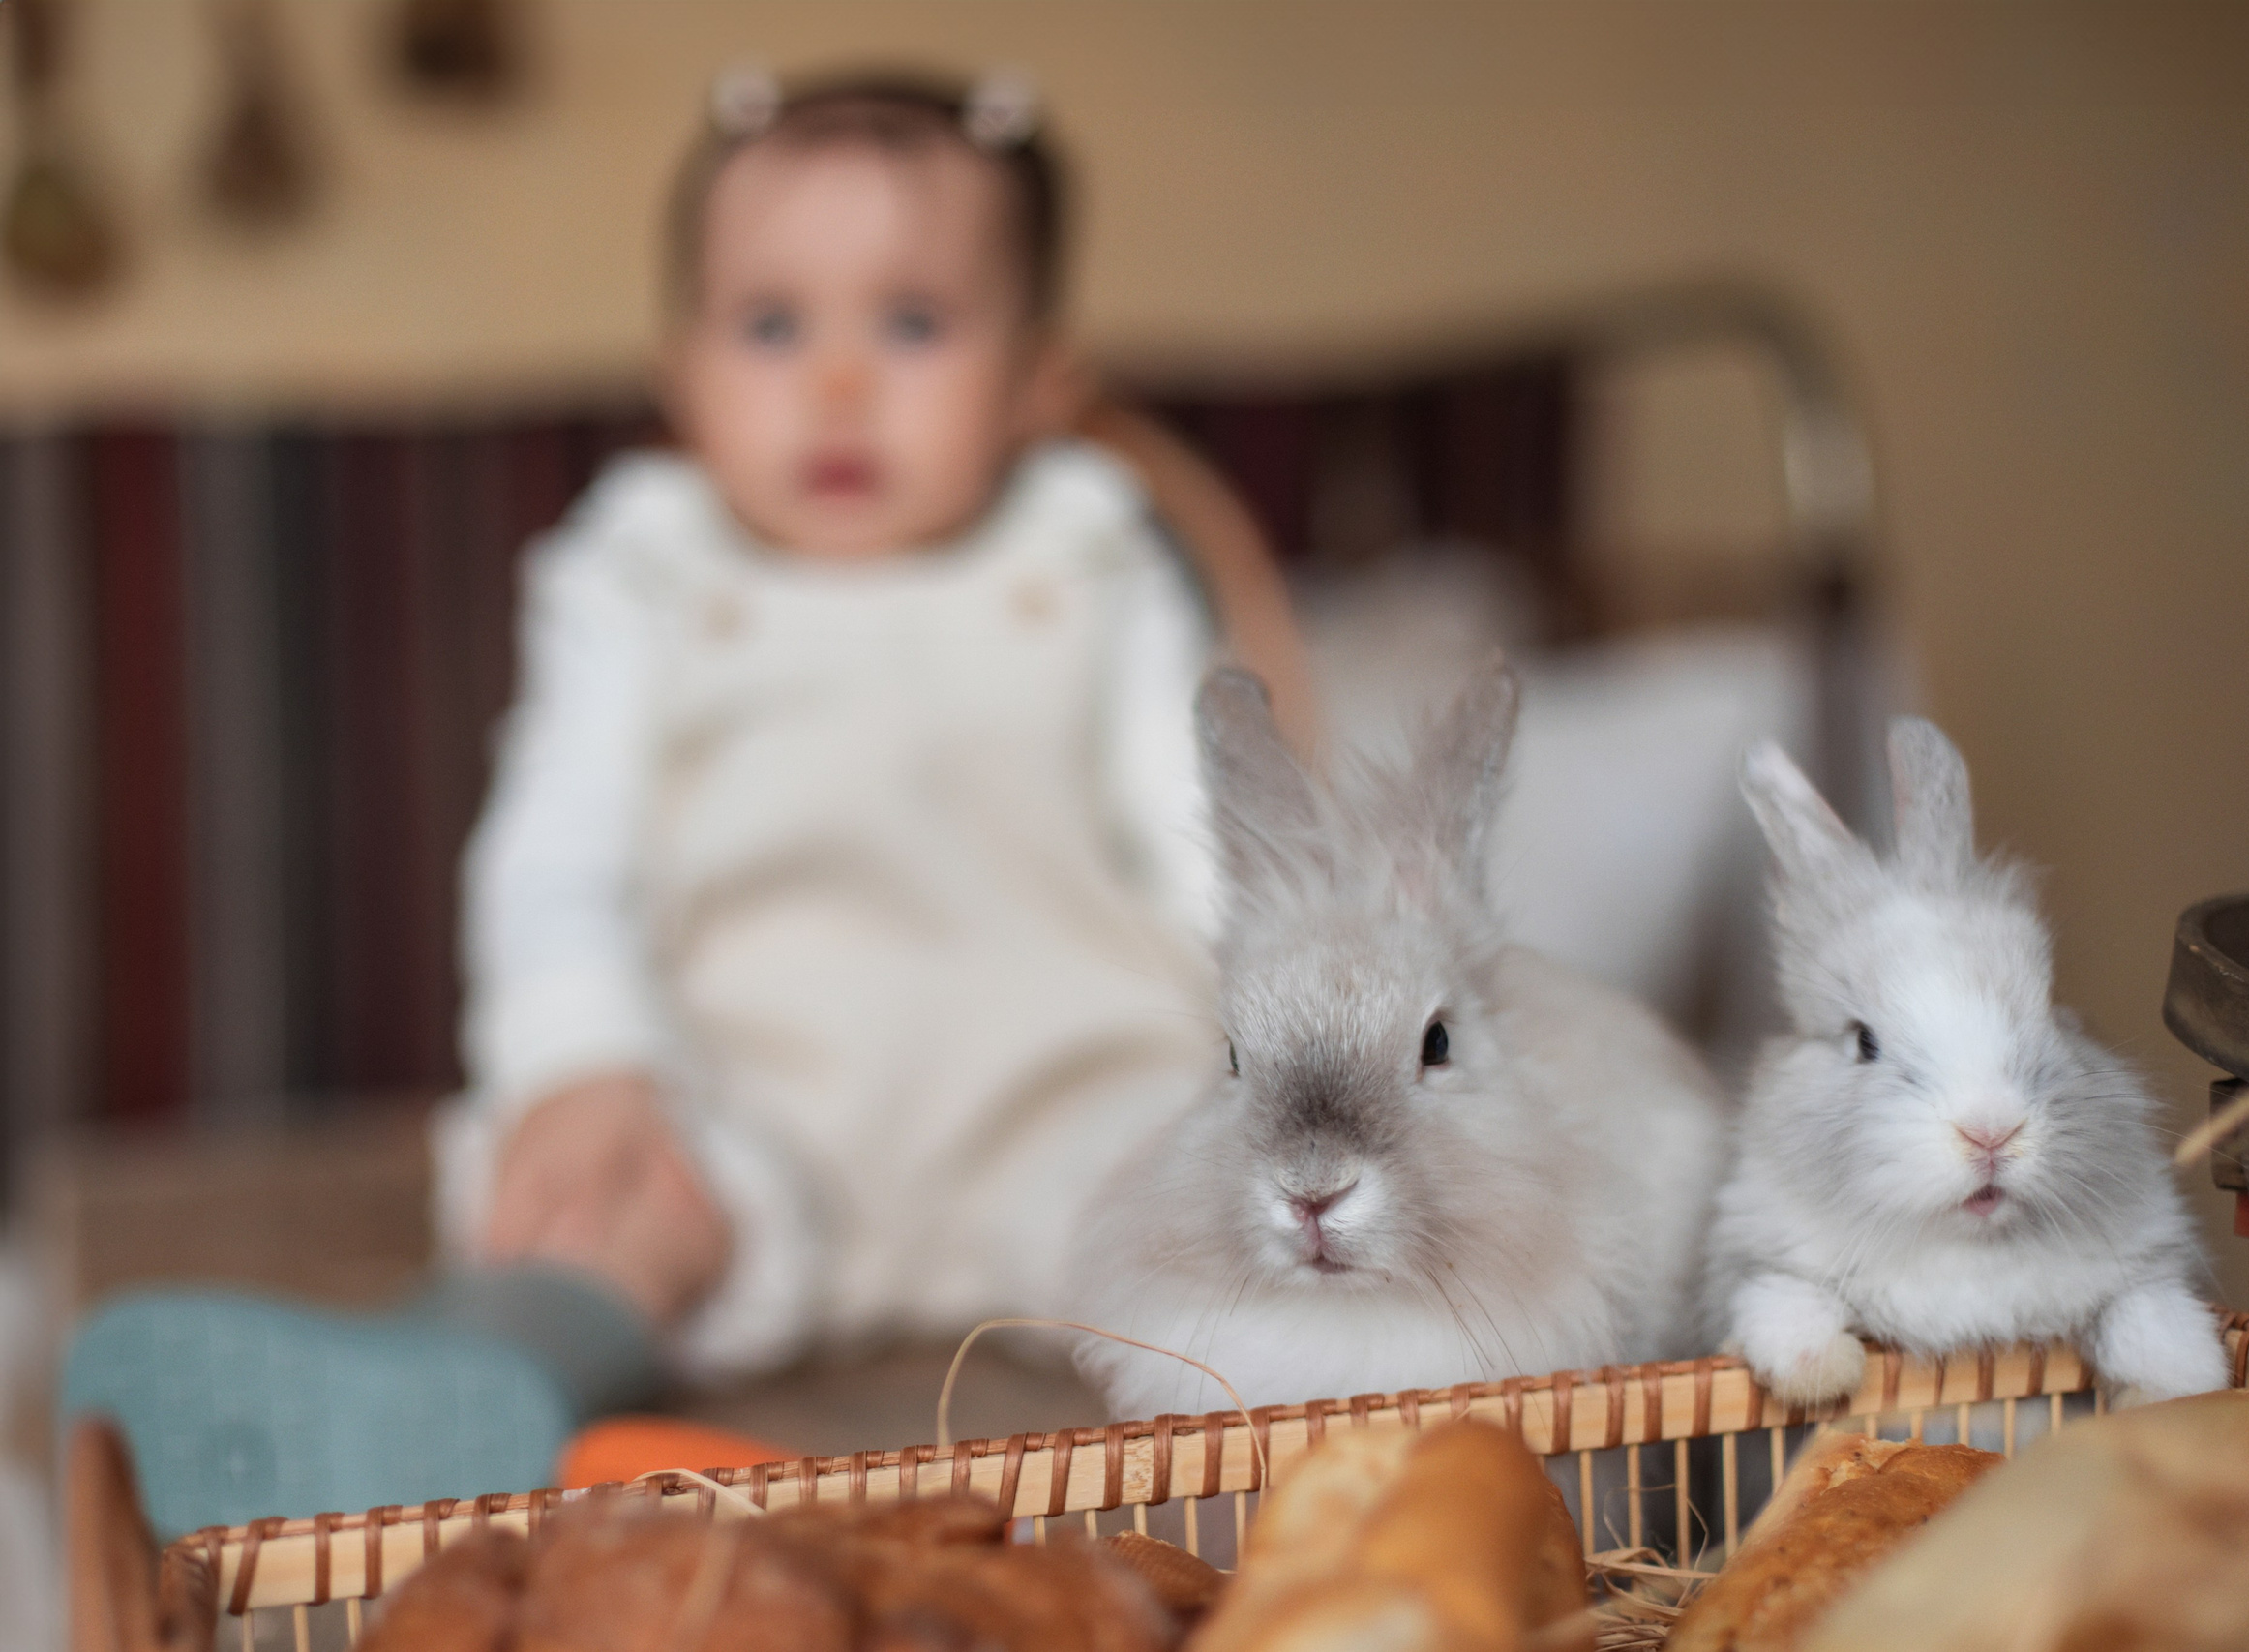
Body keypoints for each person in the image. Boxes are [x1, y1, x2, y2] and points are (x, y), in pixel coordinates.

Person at [62, 66, 1312, 1538]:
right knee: (603, 1197)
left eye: (913, 322)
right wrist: (582, 1058)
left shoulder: (1088, 553)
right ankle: (458, 1378)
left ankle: (1335, 1431)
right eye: (772, 324)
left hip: (1052, 1103)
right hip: (744, 1119)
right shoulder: (638, 575)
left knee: (1234, 1214)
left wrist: (1290, 1025)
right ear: (682, 375)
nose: (838, 381)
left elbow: (1202, 834)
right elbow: (555, 857)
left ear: (1042, 379)